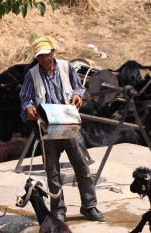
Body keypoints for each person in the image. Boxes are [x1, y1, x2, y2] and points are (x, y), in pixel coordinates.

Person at [19, 36, 104, 222]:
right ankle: (58, 211)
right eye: (40, 56)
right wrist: (28, 109)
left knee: (82, 166)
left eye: (46, 54)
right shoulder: (31, 74)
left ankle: (89, 206)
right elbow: (25, 99)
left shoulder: (67, 67)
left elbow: (78, 88)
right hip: (48, 128)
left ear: (53, 52)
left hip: (69, 124)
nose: (43, 59)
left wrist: (77, 95)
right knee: (52, 171)